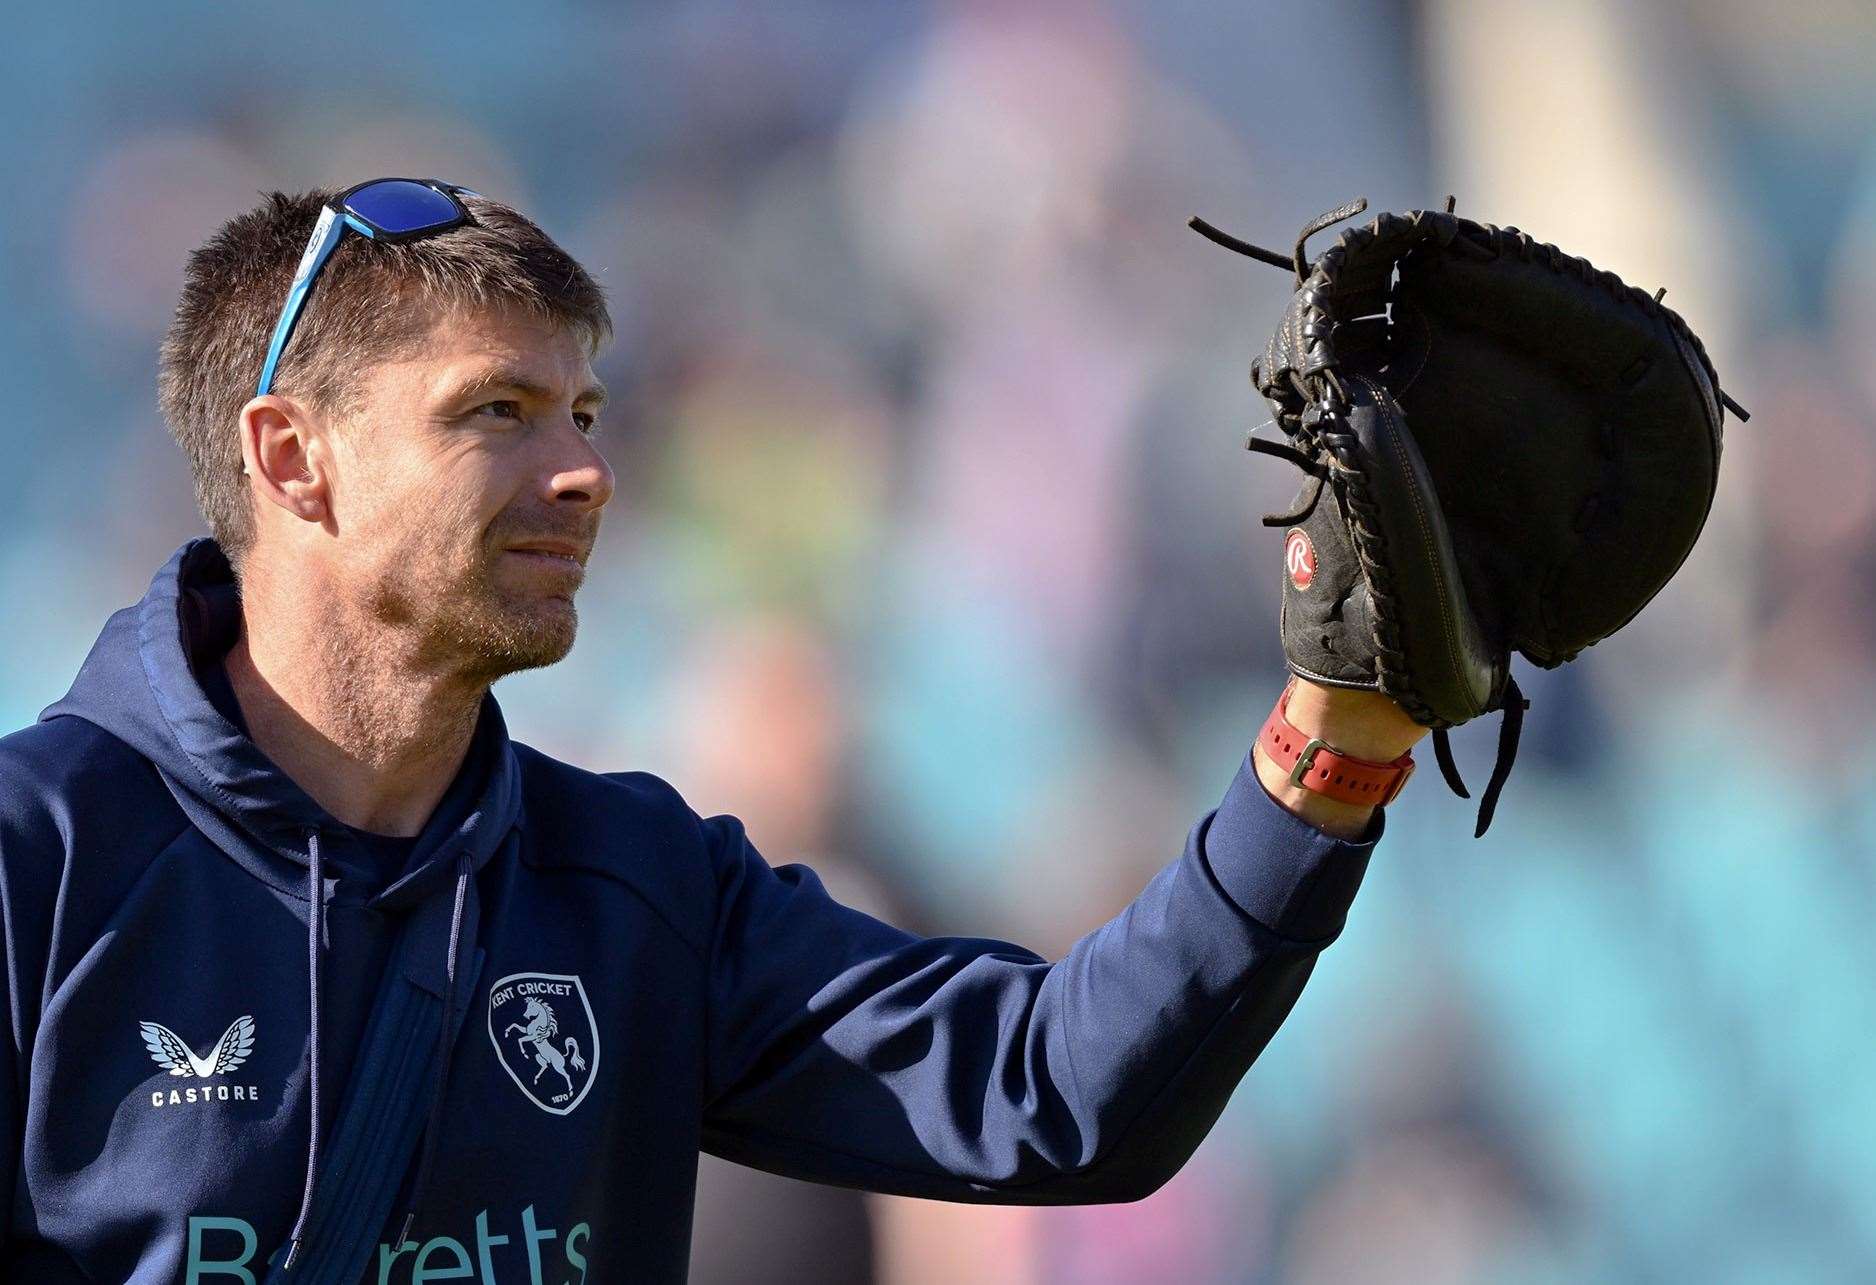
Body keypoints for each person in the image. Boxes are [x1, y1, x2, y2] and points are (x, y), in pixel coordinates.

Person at [0, 179, 1426, 1283]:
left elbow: (1054, 1089)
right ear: (291, 457)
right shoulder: (40, 863)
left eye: (585, 411)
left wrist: (1333, 740)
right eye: (495, 412)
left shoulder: (637, 888)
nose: (586, 473)